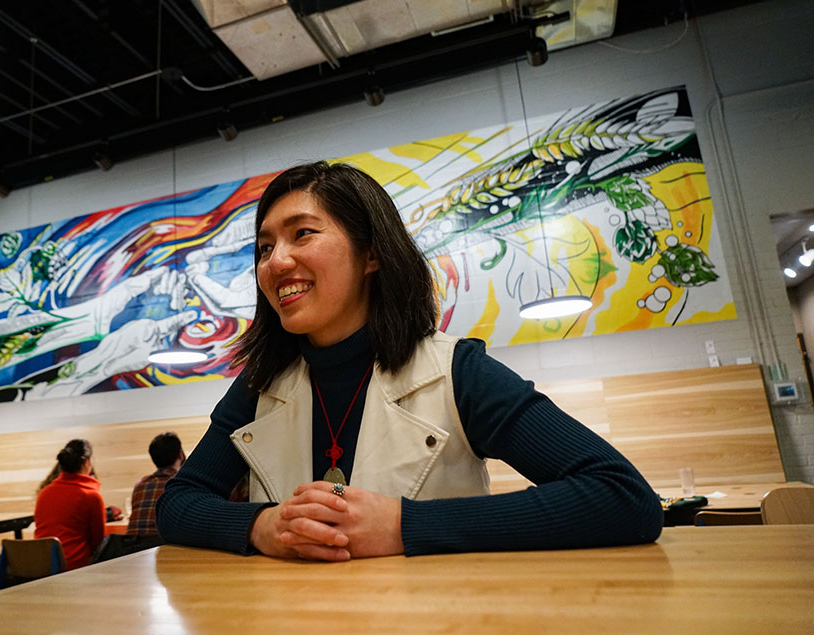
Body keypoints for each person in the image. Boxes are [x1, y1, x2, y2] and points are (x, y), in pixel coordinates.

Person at [156, 161, 663, 562]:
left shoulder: (457, 371)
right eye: (265, 247)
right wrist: (261, 525)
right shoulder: (259, 384)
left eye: (302, 233)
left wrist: (403, 526)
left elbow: (621, 496)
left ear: (372, 254)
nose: (276, 262)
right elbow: (177, 504)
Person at [34, 439, 106, 569]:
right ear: (87, 463)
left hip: (41, 566)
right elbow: (98, 543)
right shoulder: (91, 496)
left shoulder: (44, 493)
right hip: (74, 567)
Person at [127, 432, 186, 537]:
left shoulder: (140, 484)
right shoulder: (181, 485)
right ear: (181, 454)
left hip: (132, 544)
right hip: (161, 545)